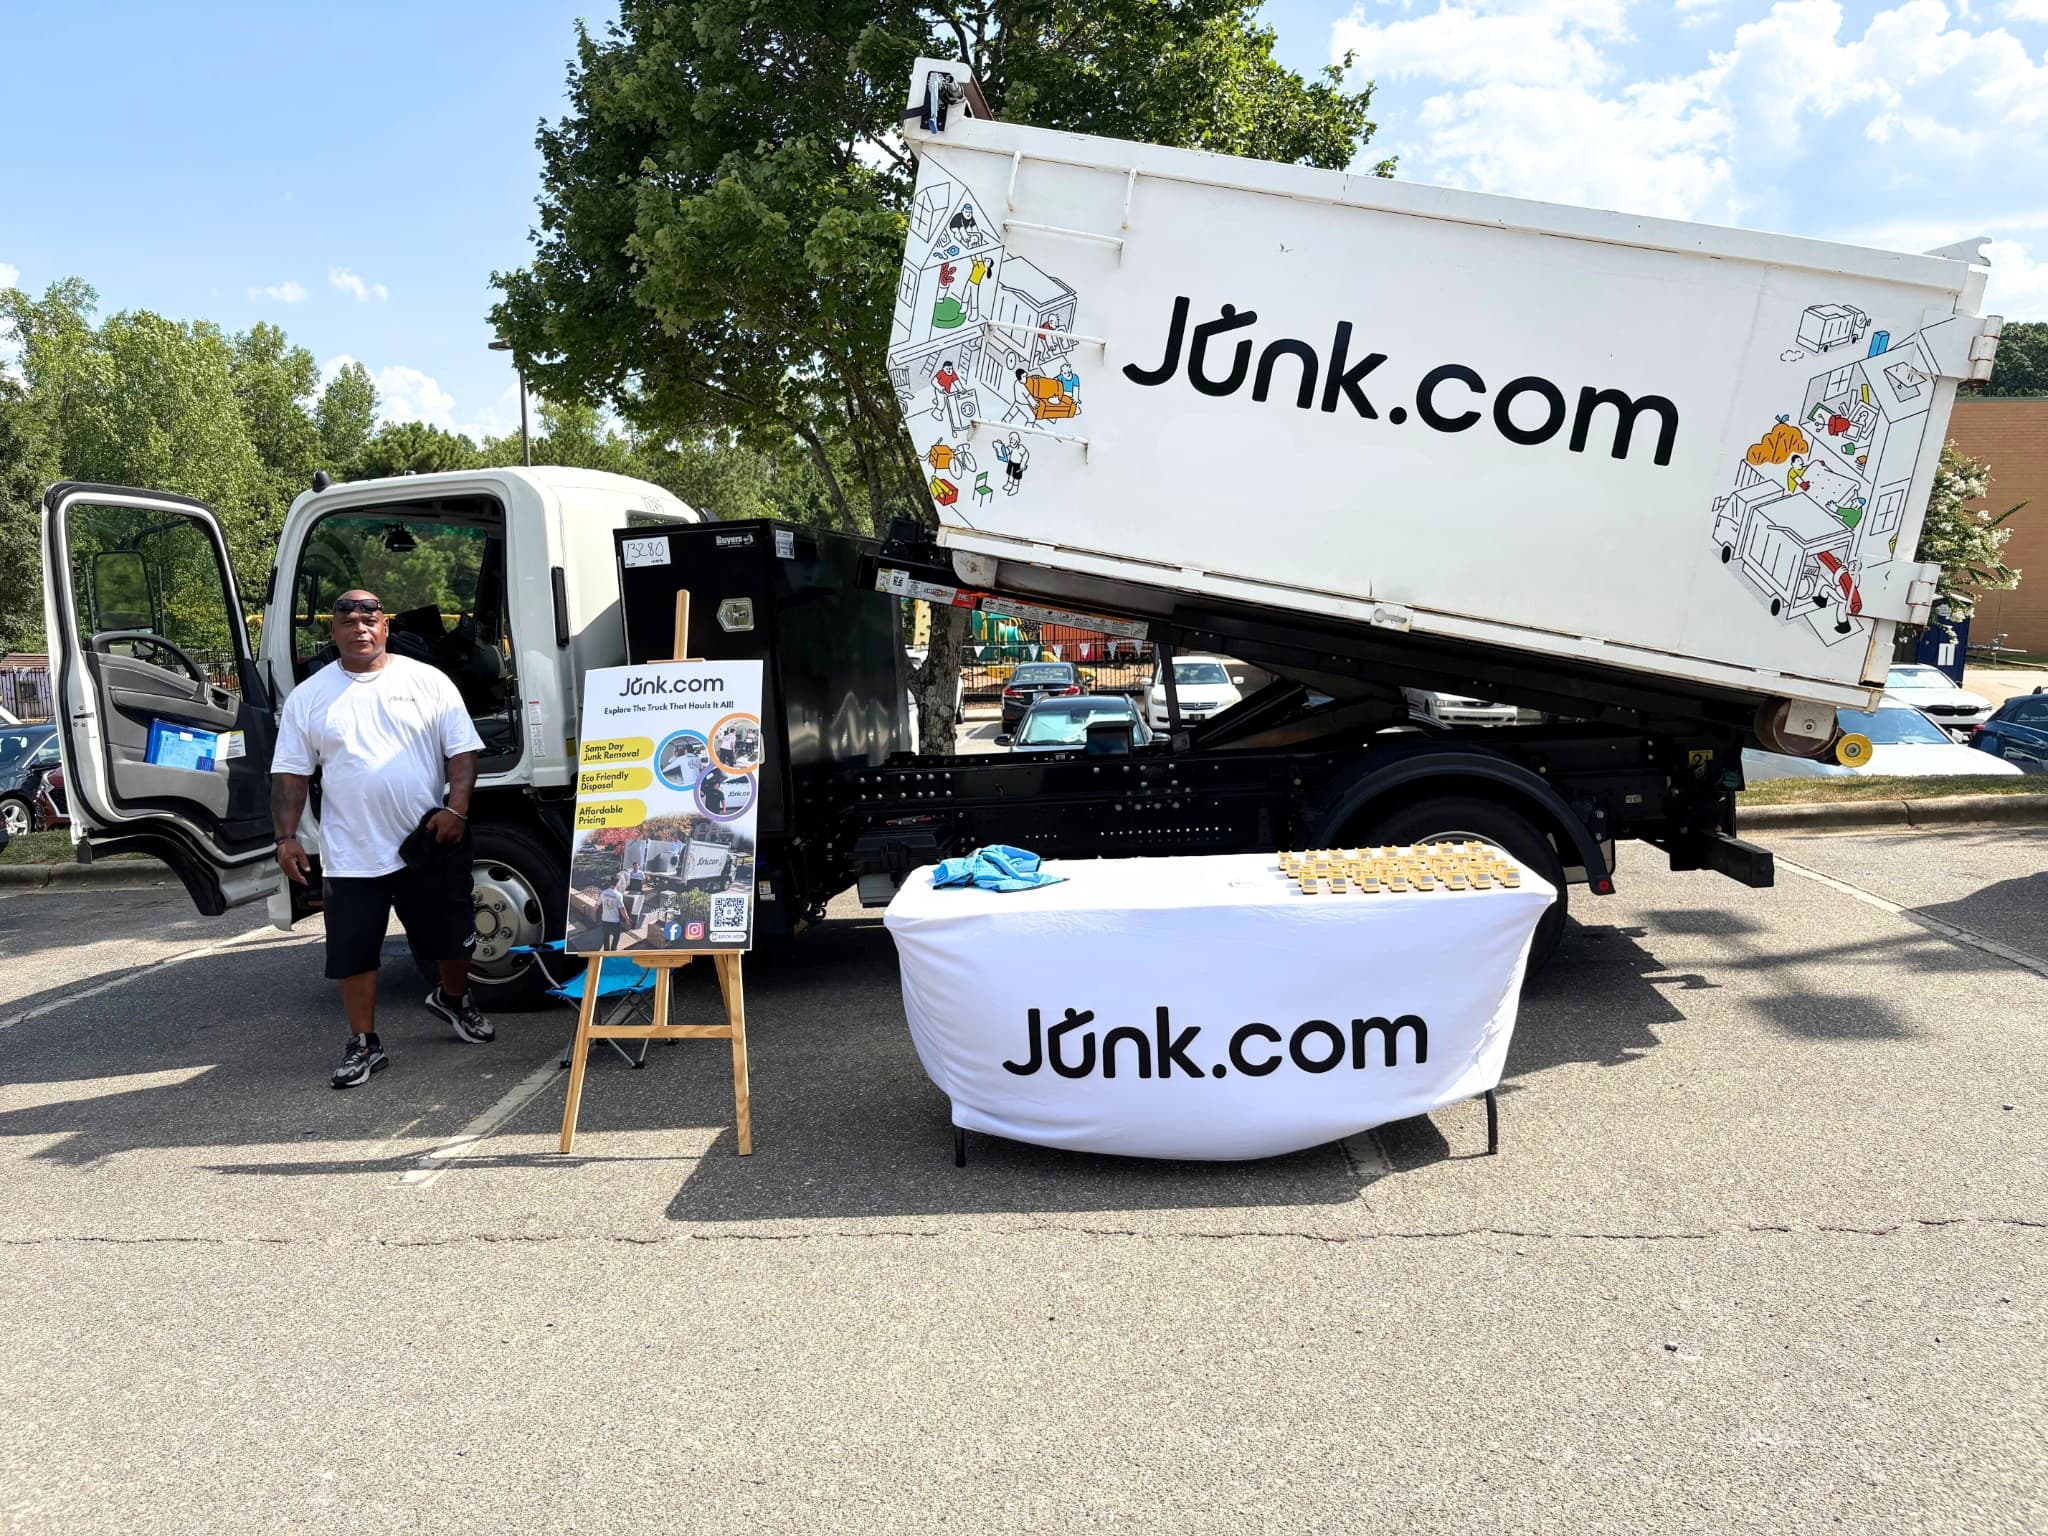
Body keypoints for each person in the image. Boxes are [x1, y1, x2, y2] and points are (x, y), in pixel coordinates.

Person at [271, 590, 491, 1090]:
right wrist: (286, 838)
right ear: (334, 631)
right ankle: (364, 1043)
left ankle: (454, 999)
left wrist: (457, 810)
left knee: (452, 938)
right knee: (354, 952)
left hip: (427, 840)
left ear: (385, 626)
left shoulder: (427, 681)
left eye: (369, 619)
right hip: (351, 850)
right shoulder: (310, 696)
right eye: (347, 621)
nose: (359, 628)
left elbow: (461, 754)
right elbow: (289, 775)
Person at [598, 876, 629, 950]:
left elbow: (596, 905)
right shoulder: (618, 895)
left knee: (606, 937)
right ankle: (613, 950)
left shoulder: (603, 893)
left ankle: (606, 952)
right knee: (616, 936)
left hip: (605, 920)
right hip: (614, 921)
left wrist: (594, 910)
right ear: (617, 883)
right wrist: (627, 919)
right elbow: (622, 909)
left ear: (610, 882)